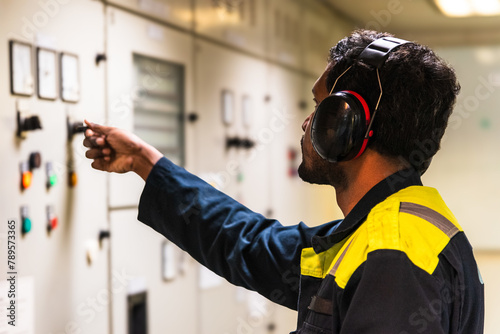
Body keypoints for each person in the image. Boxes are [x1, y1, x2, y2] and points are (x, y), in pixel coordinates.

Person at [84, 29, 484, 333]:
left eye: (319, 107)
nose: (308, 123)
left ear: (344, 125)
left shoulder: (395, 257)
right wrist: (145, 162)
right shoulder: (382, 230)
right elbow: (252, 244)